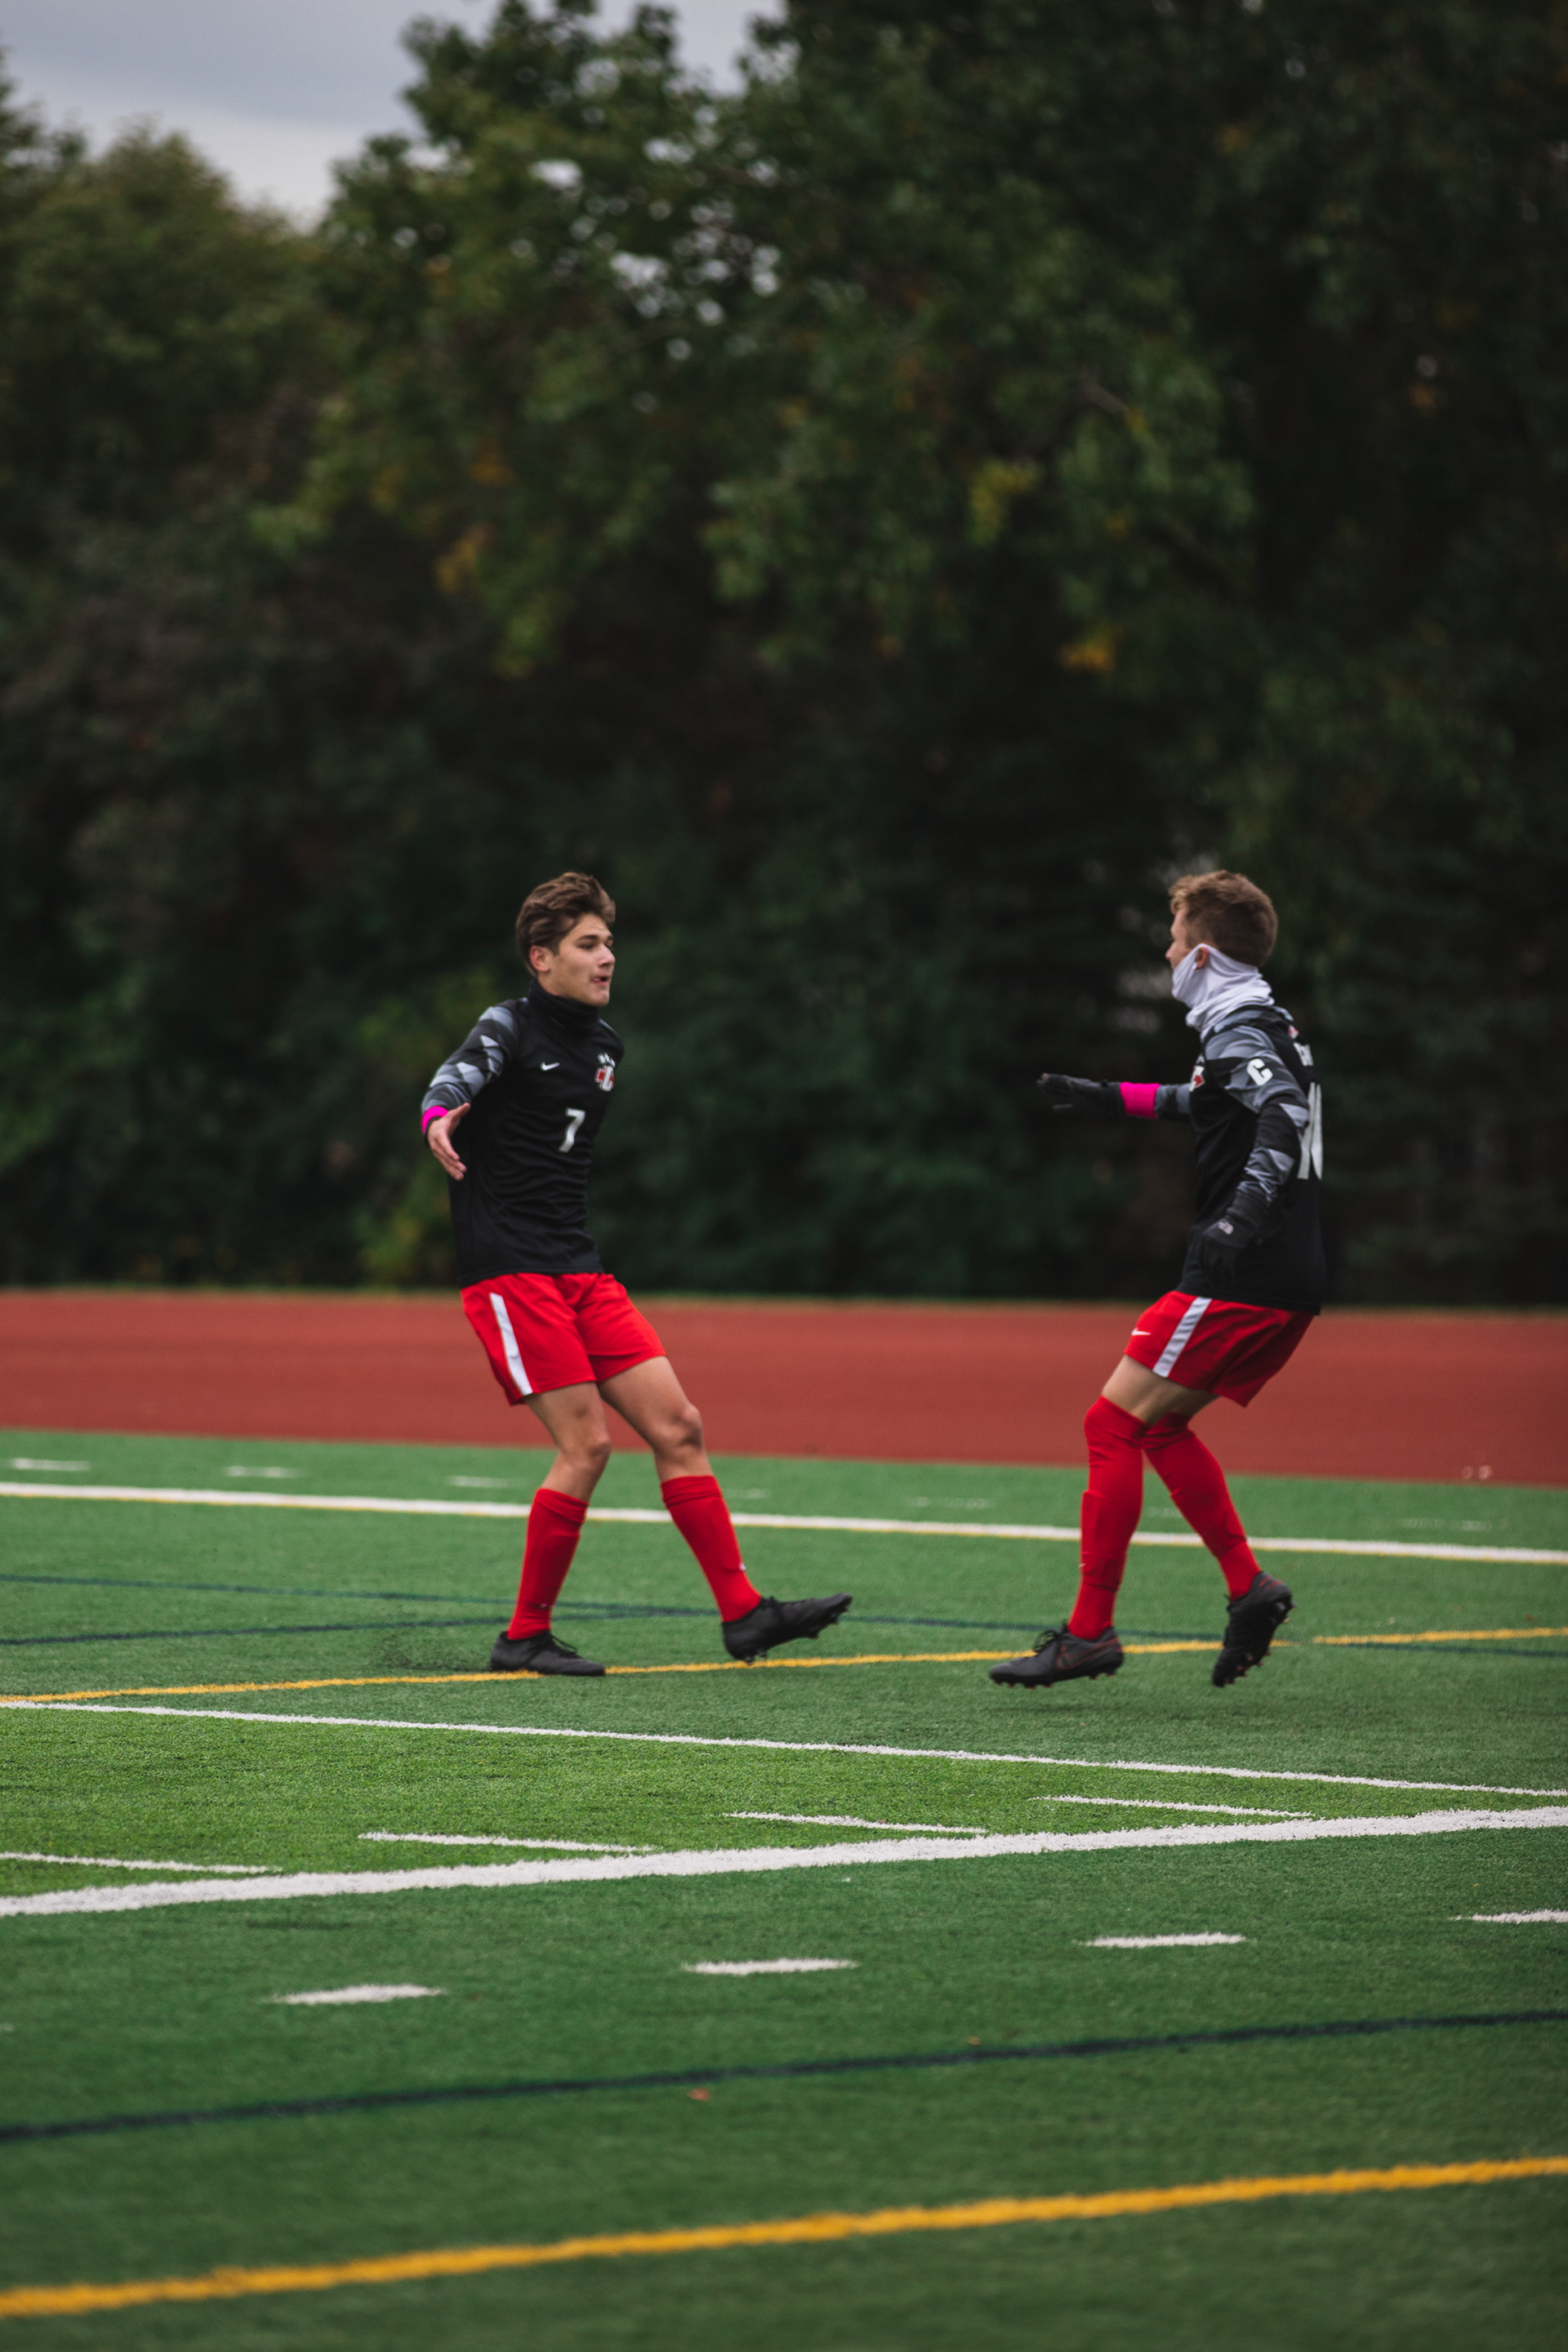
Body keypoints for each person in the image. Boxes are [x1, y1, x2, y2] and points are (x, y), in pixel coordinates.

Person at [421, 871, 851, 1676]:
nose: (607, 956)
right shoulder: (507, 1025)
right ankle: (524, 1637)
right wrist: (437, 1115)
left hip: (579, 1268)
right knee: (587, 1445)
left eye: (609, 942)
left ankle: (744, 1615)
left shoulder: (606, 1047)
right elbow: (459, 1075)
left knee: (679, 1427)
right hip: (511, 1271)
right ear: (541, 957)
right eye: (588, 944)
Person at [991, 870, 1323, 1694]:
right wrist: (1107, 1097)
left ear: (1203, 955)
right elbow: (1205, 1100)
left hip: (1243, 1271)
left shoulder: (1239, 1031)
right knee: (1160, 1428)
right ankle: (1250, 1587)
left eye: (1175, 941)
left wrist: (1239, 1216)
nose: (1168, 954)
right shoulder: (1263, 1023)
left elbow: (1282, 1113)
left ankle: (1088, 1634)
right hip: (1286, 1274)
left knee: (1110, 1424)